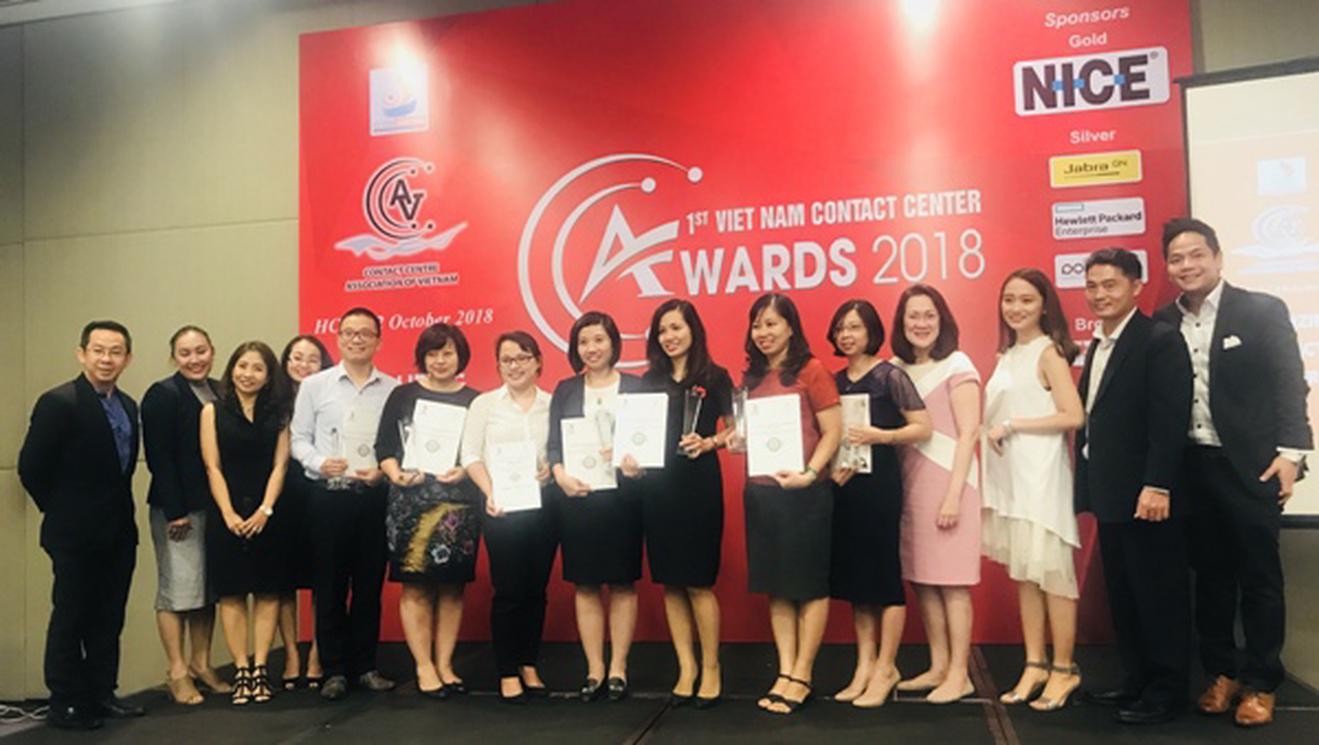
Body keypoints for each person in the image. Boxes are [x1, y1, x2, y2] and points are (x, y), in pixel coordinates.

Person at [1154, 218, 1313, 728]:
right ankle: (1221, 672)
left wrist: (1292, 454)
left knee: (1260, 578)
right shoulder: (1163, 321)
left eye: (1196, 254)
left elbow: (1289, 382)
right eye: (1176, 258)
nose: (1187, 265)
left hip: (1251, 466)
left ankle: (1262, 681)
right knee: (1211, 578)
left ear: (1218, 257)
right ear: (1167, 266)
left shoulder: (1261, 310)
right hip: (1192, 467)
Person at [1075, 248, 1193, 725]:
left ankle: (1167, 691)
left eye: (1110, 285)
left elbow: (1169, 420)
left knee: (1157, 594)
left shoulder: (1158, 339)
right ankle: (1137, 679)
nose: (1099, 295)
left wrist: (1157, 484)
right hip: (1111, 492)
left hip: (1147, 494)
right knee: (1124, 594)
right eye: (1092, 286)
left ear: (1136, 287)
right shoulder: (1099, 343)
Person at [19, 320, 145, 730]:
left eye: (115, 352)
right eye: (98, 350)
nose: (106, 359)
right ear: (82, 354)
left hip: (119, 531)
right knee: (71, 616)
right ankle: (66, 701)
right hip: (73, 532)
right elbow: (31, 468)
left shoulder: (128, 406)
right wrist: (62, 511)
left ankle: (101, 693)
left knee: (109, 616)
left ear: (127, 358)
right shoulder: (60, 402)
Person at [982, 269, 1085, 711]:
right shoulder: (1009, 353)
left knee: (1054, 574)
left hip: (1042, 475)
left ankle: (1064, 668)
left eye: (1026, 299)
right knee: (1026, 573)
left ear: (1044, 305)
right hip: (1011, 476)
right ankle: (1034, 663)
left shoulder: (1049, 353)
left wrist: (1013, 425)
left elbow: (1073, 415)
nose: (1016, 307)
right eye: (1009, 299)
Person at [736, 293, 842, 715]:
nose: (763, 332)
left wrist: (811, 473)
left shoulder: (813, 371)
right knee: (777, 586)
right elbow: (746, 433)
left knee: (809, 584)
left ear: (791, 327)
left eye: (771, 323)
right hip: (762, 493)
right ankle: (784, 669)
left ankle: (803, 673)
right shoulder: (752, 378)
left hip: (806, 492)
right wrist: (736, 441)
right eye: (757, 325)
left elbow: (833, 431)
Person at [825, 300, 931, 708]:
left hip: (880, 486)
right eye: (841, 328)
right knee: (858, 581)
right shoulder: (835, 380)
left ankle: (887, 667)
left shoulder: (890, 376)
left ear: (871, 331)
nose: (846, 335)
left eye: (854, 327)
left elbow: (923, 427)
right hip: (844, 486)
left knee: (884, 578)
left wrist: (881, 436)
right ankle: (865, 665)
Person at [290, 307, 400, 701]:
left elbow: (398, 443)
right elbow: (298, 438)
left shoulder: (393, 388)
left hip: (373, 497)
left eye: (365, 333)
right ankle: (333, 670)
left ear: (378, 341)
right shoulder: (314, 385)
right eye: (349, 332)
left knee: (369, 586)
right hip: (328, 496)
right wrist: (319, 462)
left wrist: (383, 471)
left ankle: (365, 666)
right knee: (330, 586)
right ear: (337, 338)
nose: (356, 339)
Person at [376, 323, 482, 698]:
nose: (440, 360)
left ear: (460, 356)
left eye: (447, 353)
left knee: (453, 587)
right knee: (416, 586)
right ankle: (423, 666)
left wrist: (465, 470)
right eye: (432, 353)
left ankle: (446, 663)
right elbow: (384, 447)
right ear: (422, 358)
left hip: (459, 507)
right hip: (411, 503)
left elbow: (480, 453)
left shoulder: (475, 400)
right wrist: (396, 474)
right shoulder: (403, 394)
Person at [547, 311, 647, 702]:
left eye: (599, 340)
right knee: (585, 584)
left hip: (622, 500)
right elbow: (554, 445)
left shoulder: (636, 387)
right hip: (578, 498)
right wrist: (559, 475)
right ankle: (594, 669)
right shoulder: (566, 389)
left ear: (613, 343)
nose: (592, 348)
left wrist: (637, 464)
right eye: (584, 341)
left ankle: (618, 667)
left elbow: (648, 443)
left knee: (622, 583)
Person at [890, 285, 983, 704]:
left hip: (950, 483)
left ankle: (961, 673)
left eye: (929, 315)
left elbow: (968, 434)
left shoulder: (958, 365)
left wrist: (953, 496)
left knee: (953, 583)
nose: (921, 324)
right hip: (911, 484)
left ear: (942, 319)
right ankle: (939, 665)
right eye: (913, 316)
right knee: (924, 580)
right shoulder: (895, 369)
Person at [639, 300, 734, 708]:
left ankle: (711, 667)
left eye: (676, 328)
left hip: (698, 487)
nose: (669, 337)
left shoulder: (715, 376)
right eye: (662, 330)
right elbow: (635, 432)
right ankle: (686, 667)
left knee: (698, 582)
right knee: (671, 582)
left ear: (693, 330)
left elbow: (736, 430)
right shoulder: (648, 381)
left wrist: (710, 442)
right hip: (658, 490)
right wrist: (628, 456)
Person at [462, 331, 558, 704]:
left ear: (537, 362)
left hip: (544, 507)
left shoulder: (553, 404)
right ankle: (506, 669)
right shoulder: (485, 405)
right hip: (500, 508)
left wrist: (549, 469)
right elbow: (471, 455)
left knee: (536, 589)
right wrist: (490, 491)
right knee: (509, 590)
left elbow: (560, 449)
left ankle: (528, 662)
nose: (514, 366)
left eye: (522, 358)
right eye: (506, 360)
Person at [200, 341, 295, 706]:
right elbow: (212, 466)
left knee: (268, 592)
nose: (248, 374)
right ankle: (241, 668)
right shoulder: (212, 410)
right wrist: (227, 513)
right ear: (231, 369)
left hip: (270, 512)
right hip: (226, 512)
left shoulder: (280, 413)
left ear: (269, 376)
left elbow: (281, 465)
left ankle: (260, 668)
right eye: (242, 366)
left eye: (257, 368)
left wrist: (265, 509)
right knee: (233, 593)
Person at [140, 326, 230, 704]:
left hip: (215, 506)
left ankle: (201, 663)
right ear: (173, 357)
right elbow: (159, 458)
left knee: (206, 589)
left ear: (212, 350)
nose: (195, 359)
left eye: (201, 351)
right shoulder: (162, 395)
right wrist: (175, 512)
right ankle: (177, 670)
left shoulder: (221, 390)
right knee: (177, 590)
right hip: (178, 509)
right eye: (185, 353)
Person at [276, 335, 333, 688]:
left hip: (320, 492)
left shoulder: (329, 396)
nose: (304, 365)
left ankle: (317, 651)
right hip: (281, 496)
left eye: (313, 359)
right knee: (284, 579)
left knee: (322, 577)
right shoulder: (272, 402)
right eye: (296, 357)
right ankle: (291, 654)